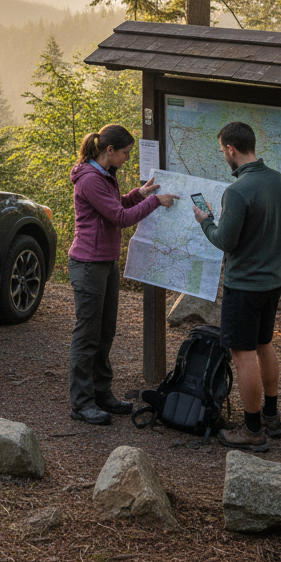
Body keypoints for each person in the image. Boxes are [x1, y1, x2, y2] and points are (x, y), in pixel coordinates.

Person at [192, 121, 281, 451]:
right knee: (264, 344)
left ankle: (252, 430)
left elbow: (225, 241)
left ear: (231, 149)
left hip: (245, 285)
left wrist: (206, 221)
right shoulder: (279, 182)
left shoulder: (237, 191)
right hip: (272, 282)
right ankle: (271, 417)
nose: (224, 155)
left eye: (223, 150)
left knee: (243, 354)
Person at [69, 124, 178, 425]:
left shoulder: (105, 175)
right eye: (126, 153)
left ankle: (101, 393)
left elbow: (116, 205)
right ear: (110, 150)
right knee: (87, 336)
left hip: (105, 263)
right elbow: (119, 217)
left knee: (105, 333)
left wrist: (139, 194)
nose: (128, 158)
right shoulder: (90, 179)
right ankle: (81, 403)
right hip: (88, 265)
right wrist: (154, 201)